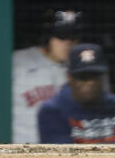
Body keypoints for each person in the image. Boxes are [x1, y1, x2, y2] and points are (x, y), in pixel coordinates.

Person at [37, 44, 115, 143]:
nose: (90, 82)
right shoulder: (53, 110)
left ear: (103, 78)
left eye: (94, 76)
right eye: (82, 76)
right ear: (69, 77)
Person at [13, 9, 83, 143]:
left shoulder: (83, 69)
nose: (68, 43)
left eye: (73, 37)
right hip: (22, 148)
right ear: (48, 37)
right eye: (62, 36)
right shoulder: (18, 62)